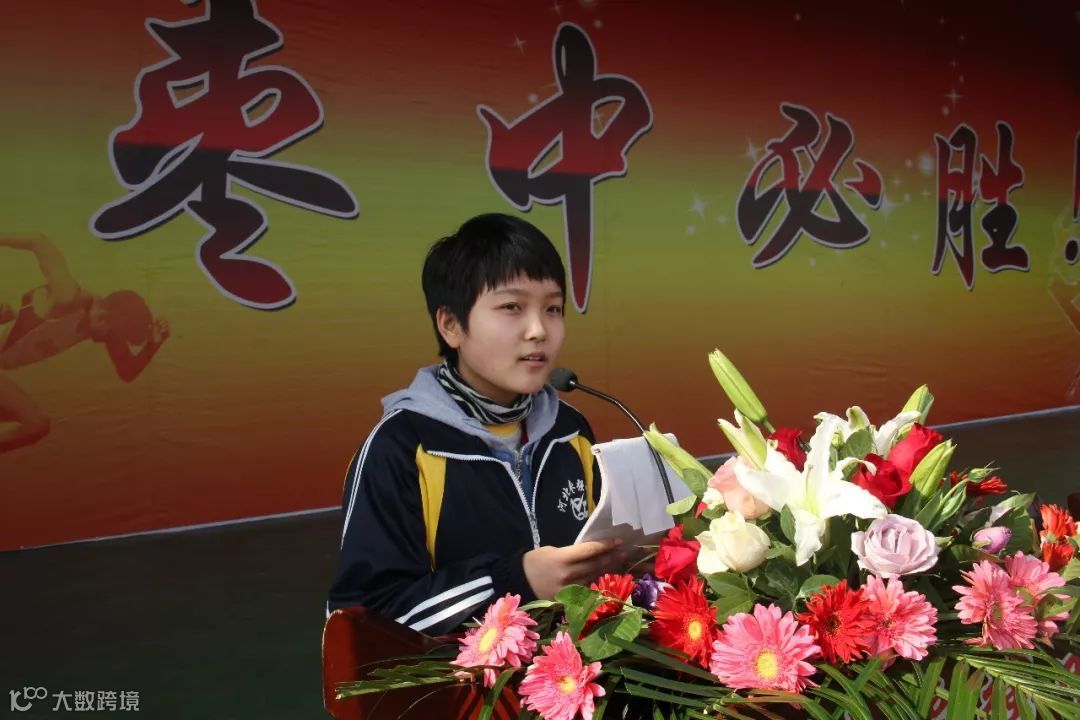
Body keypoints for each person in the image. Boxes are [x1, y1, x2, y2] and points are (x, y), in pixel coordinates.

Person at [327, 213, 626, 635]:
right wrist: (513, 581)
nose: (539, 330)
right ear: (451, 325)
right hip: (459, 678)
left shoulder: (569, 430)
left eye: (553, 308)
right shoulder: (402, 446)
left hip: (572, 670)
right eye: (511, 307)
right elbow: (359, 622)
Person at [0, 233, 169, 452]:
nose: (109, 341)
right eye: (114, 335)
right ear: (106, 316)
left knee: (35, 425)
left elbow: (126, 371)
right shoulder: (69, 297)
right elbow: (38, 241)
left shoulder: (105, 324)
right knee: (36, 424)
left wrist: (154, 344)